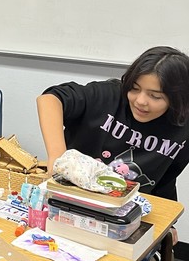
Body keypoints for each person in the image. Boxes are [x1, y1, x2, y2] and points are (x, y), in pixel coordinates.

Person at [36, 46, 189, 200]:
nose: (140, 101)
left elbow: (167, 180)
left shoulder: (183, 128)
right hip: (73, 194)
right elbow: (50, 99)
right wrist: (58, 157)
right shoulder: (108, 96)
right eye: (134, 88)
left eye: (155, 96)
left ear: (178, 99)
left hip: (129, 206)